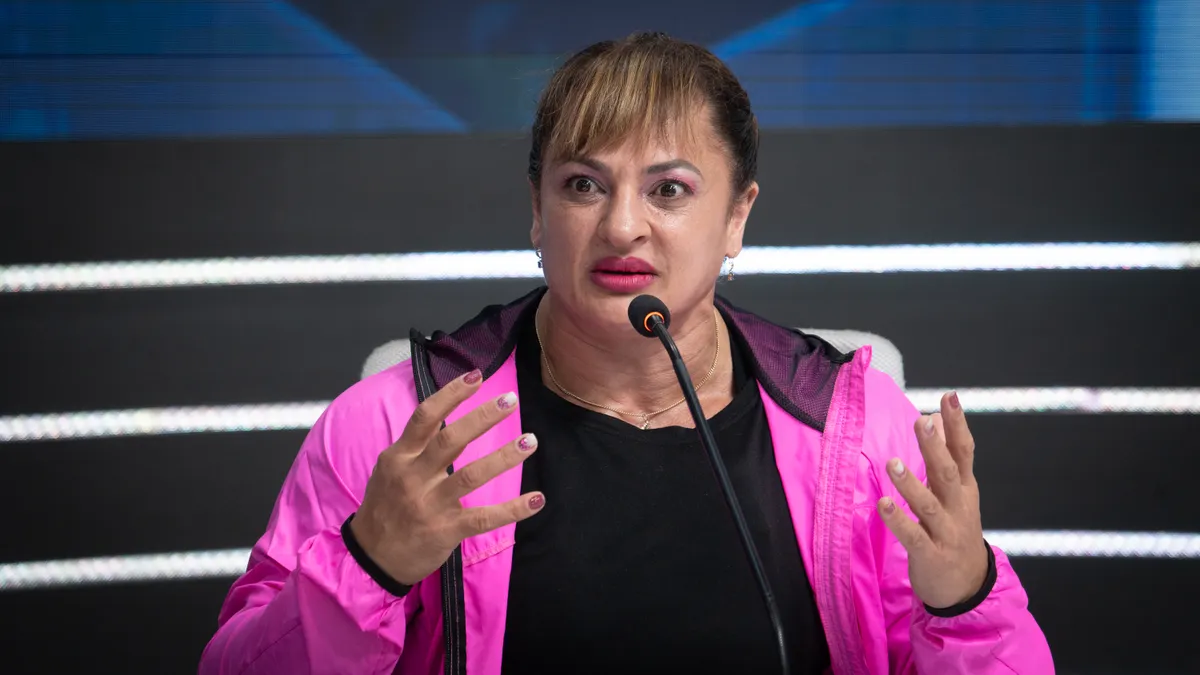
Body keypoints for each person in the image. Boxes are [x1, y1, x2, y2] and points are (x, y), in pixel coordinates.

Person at [199, 32, 1053, 675]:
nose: (621, 226)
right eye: (583, 185)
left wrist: (964, 599)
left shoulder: (863, 436)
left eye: (669, 189)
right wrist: (367, 567)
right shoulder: (398, 426)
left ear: (737, 217)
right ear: (537, 212)